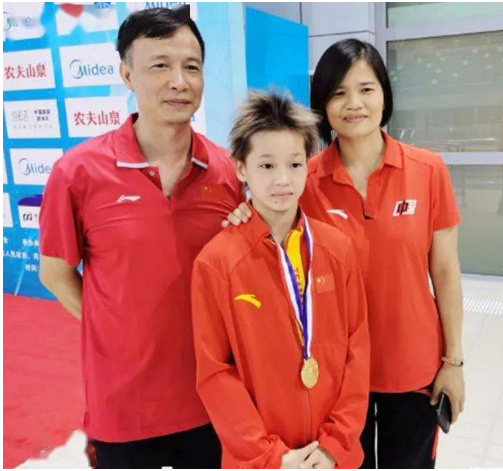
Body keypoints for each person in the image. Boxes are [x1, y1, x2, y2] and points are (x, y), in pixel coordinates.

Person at [225, 39, 465, 469]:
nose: (354, 103)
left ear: (384, 95)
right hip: (332, 377)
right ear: (323, 104)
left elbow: (446, 271)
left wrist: (454, 362)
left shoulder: (428, 171)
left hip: (413, 368)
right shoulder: (305, 179)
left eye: (366, 89)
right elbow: (269, 228)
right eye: (338, 92)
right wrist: (245, 208)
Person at [38, 6, 242, 468]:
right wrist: (114, 327)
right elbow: (54, 272)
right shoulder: (77, 173)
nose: (179, 81)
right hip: (123, 406)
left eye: (192, 67)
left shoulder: (227, 171)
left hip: (212, 398)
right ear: (127, 74)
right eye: (160, 65)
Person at [191, 91, 371, 469]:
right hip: (262, 460)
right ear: (241, 168)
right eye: (267, 166)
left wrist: (334, 445)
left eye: (294, 164)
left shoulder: (337, 249)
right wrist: (271, 457)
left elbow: (357, 348)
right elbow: (215, 373)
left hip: (332, 456)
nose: (283, 180)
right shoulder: (217, 263)